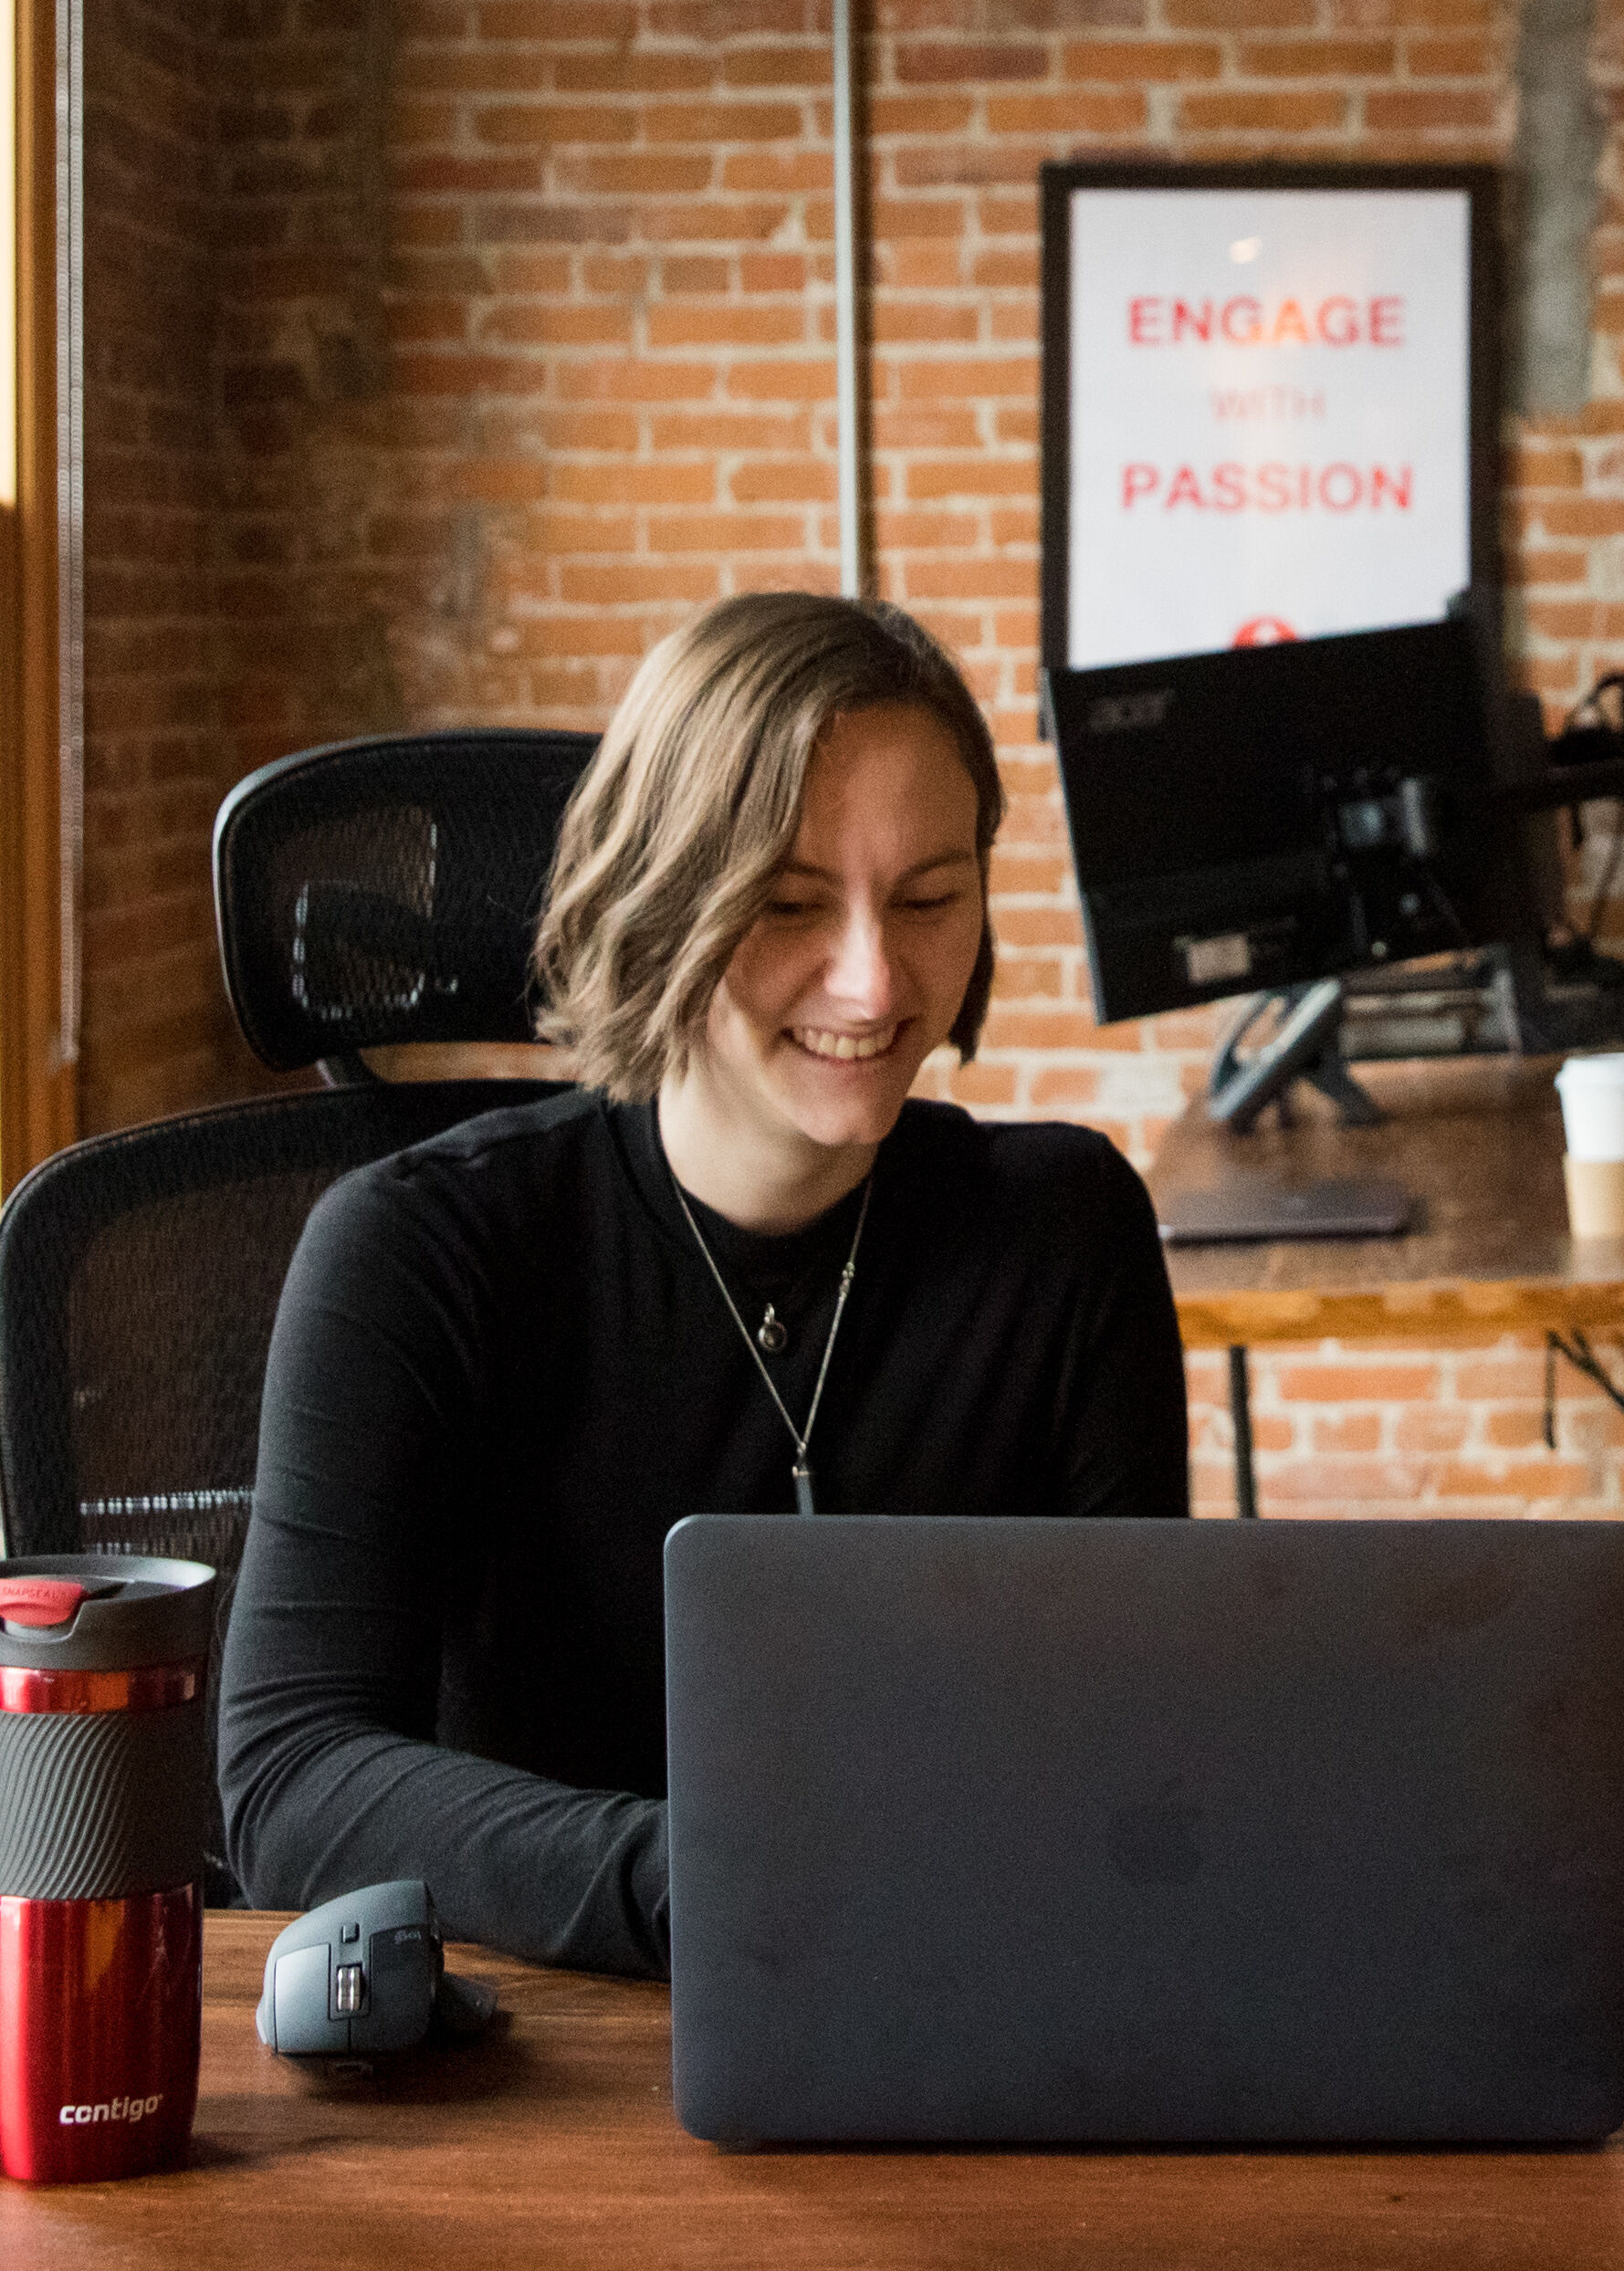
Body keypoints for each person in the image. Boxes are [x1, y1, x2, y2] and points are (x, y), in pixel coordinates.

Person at [221, 593, 1188, 1972]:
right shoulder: (413, 1247)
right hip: (542, 2051)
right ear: (662, 894)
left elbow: (1134, 1728)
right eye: (789, 903)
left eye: (929, 898)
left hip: (953, 1991)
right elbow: (290, 1780)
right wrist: (716, 1881)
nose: (870, 982)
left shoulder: (1064, 1227)